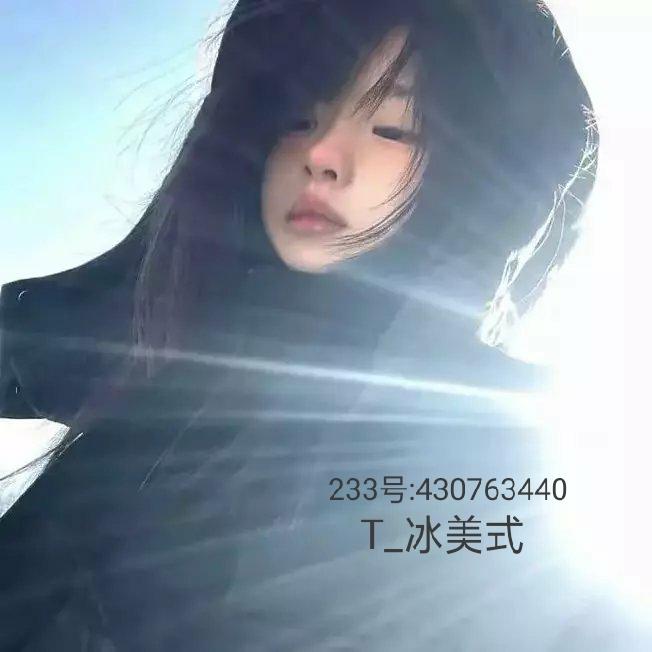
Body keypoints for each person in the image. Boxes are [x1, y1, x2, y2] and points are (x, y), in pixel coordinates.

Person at [0, 1, 610, 649]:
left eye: (393, 129)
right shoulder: (159, 362)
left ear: (483, 174)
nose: (319, 153)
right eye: (298, 117)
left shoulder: (479, 445)